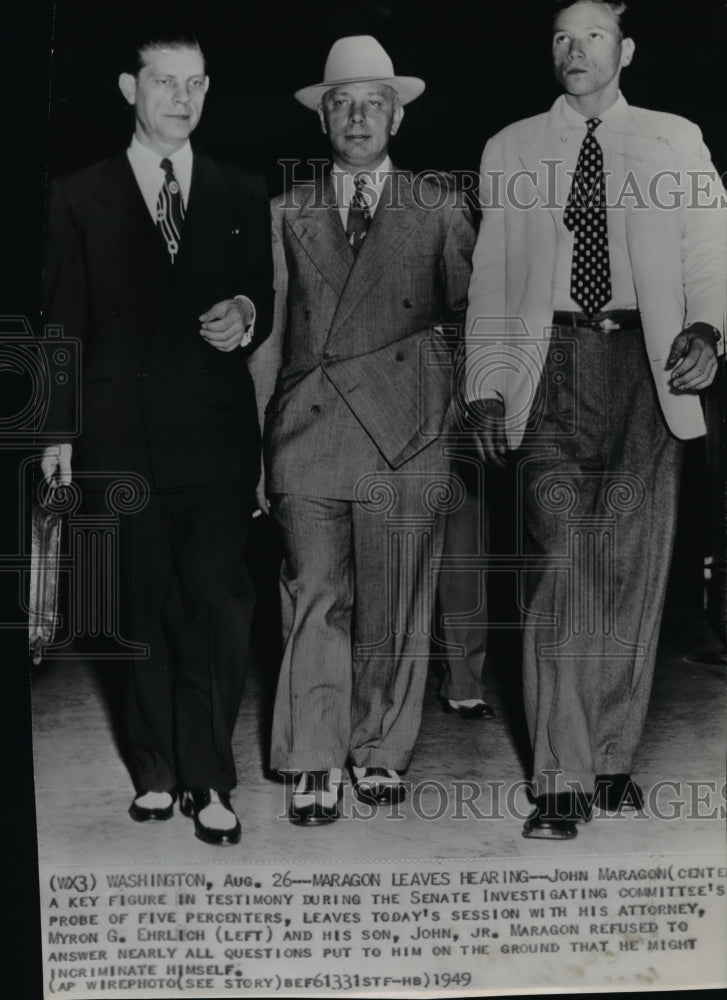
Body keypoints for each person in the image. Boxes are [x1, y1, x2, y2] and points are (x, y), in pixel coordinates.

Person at [465, 0, 726, 839]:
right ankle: (561, 780)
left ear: (626, 50)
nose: (573, 51)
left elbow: (709, 254)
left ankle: (610, 758)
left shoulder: (673, 138)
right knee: (559, 561)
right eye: (559, 37)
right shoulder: (510, 148)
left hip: (649, 370)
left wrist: (709, 331)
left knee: (630, 572)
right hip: (551, 369)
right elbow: (492, 281)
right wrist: (485, 383)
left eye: (592, 37)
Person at [40, 26, 274, 845]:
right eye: (166, 82)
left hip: (212, 436)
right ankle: (154, 771)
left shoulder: (240, 190)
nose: (183, 97)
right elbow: (61, 317)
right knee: (140, 602)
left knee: (214, 602)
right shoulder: (76, 195)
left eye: (196, 83)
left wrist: (246, 314)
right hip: (116, 435)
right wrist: (58, 431)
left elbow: (260, 295)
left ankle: (208, 777)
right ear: (127, 89)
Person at [249, 35, 475, 824]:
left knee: (396, 602)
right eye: (340, 103)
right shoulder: (285, 212)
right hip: (305, 435)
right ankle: (313, 757)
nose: (356, 116)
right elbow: (268, 341)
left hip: (406, 437)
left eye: (371, 102)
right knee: (314, 595)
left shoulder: (440, 207)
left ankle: (379, 748)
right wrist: (257, 447)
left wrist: (433, 416)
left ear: (396, 117)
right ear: (323, 122)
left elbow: (466, 326)